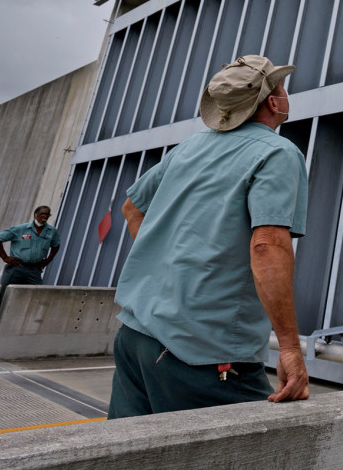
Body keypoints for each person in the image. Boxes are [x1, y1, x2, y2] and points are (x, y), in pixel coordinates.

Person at [108, 56, 311, 419]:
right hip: (204, 352)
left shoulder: (189, 147)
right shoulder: (278, 153)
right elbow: (267, 246)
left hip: (135, 336)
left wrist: (170, 272)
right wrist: (290, 349)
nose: (285, 93)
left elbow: (131, 209)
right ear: (271, 101)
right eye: (281, 87)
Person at [0, 206, 60, 308]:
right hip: (16, 268)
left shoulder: (52, 231)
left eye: (47, 214)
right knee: (4, 296)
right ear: (35, 215)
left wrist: (48, 260)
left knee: (36, 298)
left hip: (34, 270)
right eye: (42, 214)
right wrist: (5, 257)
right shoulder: (20, 229)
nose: (45, 216)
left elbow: (56, 245)